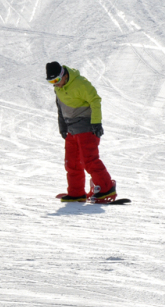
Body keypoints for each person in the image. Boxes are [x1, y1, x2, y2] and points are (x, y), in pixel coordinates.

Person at [46, 62, 117, 203]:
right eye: (51, 82)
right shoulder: (58, 88)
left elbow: (95, 100)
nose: (56, 84)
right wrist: (62, 126)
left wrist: (96, 123)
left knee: (89, 160)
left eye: (57, 80)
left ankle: (107, 188)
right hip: (71, 128)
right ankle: (76, 193)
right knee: (71, 162)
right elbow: (60, 108)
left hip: (86, 127)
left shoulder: (80, 83)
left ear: (64, 75)